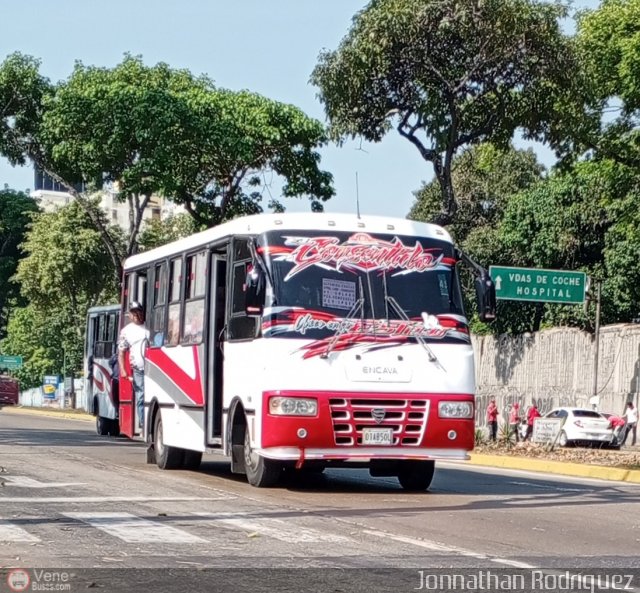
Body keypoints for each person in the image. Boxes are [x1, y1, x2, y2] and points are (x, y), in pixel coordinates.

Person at [118, 301, 149, 429]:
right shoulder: (126, 331)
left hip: (154, 368)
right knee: (141, 395)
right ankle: (143, 422)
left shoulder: (150, 326)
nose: (137, 315)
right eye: (133, 313)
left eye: (138, 312)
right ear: (130, 315)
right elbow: (121, 352)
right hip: (138, 369)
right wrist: (123, 370)